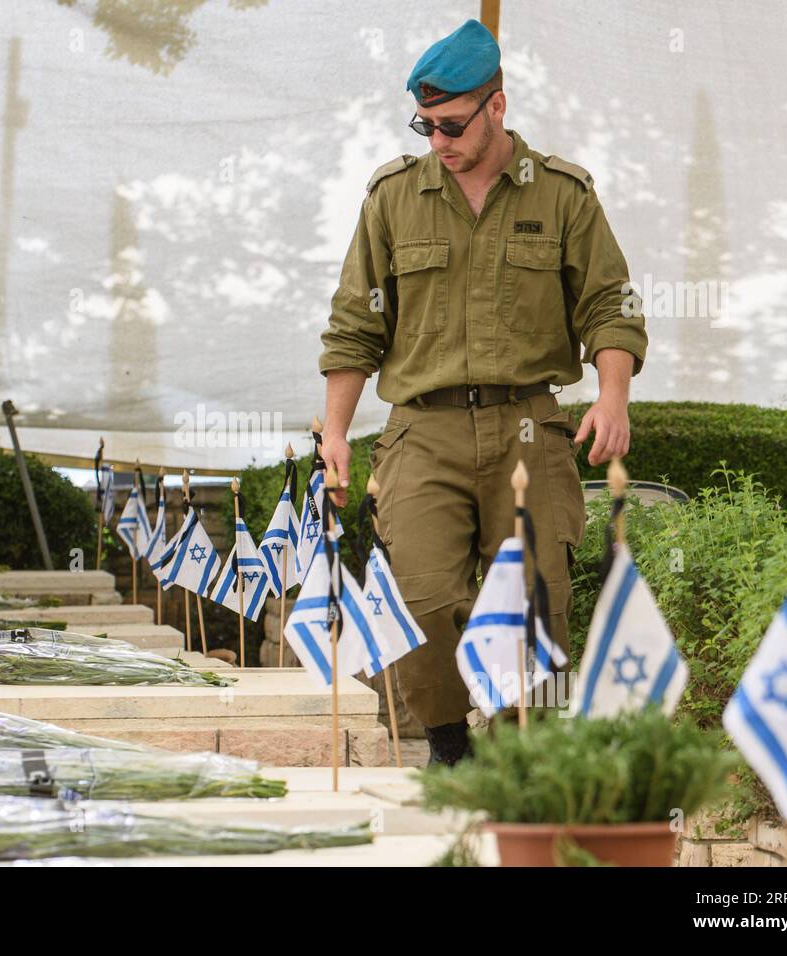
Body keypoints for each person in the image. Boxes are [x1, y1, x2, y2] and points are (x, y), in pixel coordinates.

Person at [318, 19, 648, 764]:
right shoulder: (394, 198)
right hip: (422, 430)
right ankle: (446, 743)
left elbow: (611, 305)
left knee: (533, 603)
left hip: (528, 426)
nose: (439, 140)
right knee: (422, 597)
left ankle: (520, 757)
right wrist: (336, 434)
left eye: (453, 124)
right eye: (425, 125)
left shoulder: (564, 195)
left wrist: (613, 394)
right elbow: (353, 325)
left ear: (497, 107)